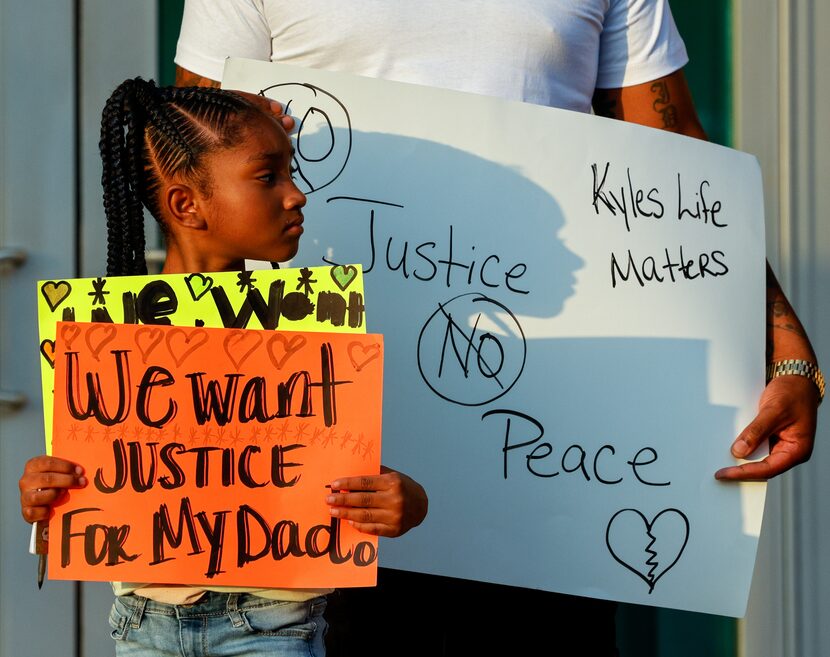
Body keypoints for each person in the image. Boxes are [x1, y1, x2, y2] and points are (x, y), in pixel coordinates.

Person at [171, 2, 823, 654]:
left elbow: (674, 149)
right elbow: (185, 173)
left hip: (551, 442)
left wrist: (781, 340)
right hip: (317, 422)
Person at [18, 78, 428, 657]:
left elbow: (315, 464)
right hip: (142, 623)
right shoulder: (108, 334)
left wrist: (403, 500)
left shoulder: (311, 326)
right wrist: (44, 497)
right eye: (269, 177)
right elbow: (93, 477)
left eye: (291, 174)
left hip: (274, 623)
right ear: (186, 204)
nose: (296, 195)